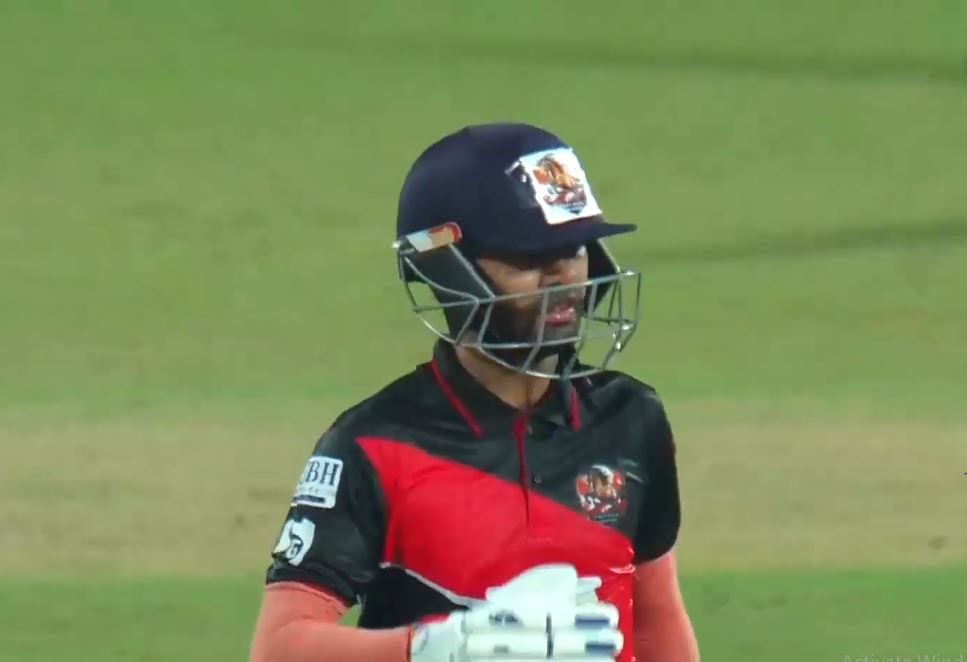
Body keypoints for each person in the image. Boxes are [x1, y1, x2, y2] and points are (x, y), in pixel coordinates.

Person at [249, 123, 700, 662]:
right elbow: (279, 647)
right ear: (449, 270)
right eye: (528, 259)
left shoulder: (631, 420)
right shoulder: (375, 444)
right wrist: (432, 649)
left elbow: (656, 623)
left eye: (574, 250)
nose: (564, 278)